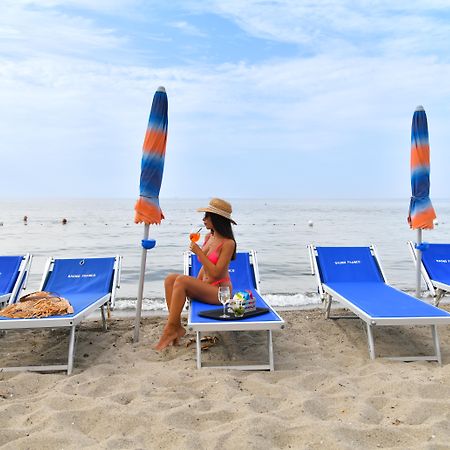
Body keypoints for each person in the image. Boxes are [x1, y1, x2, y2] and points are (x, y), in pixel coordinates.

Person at [155, 198, 237, 351]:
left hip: (220, 293)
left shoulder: (228, 243)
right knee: (170, 279)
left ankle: (170, 330)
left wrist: (198, 251)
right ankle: (175, 325)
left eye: (207, 216)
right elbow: (203, 266)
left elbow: (216, 272)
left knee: (181, 280)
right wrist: (197, 281)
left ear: (217, 219)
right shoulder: (209, 237)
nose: (203, 219)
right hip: (206, 288)